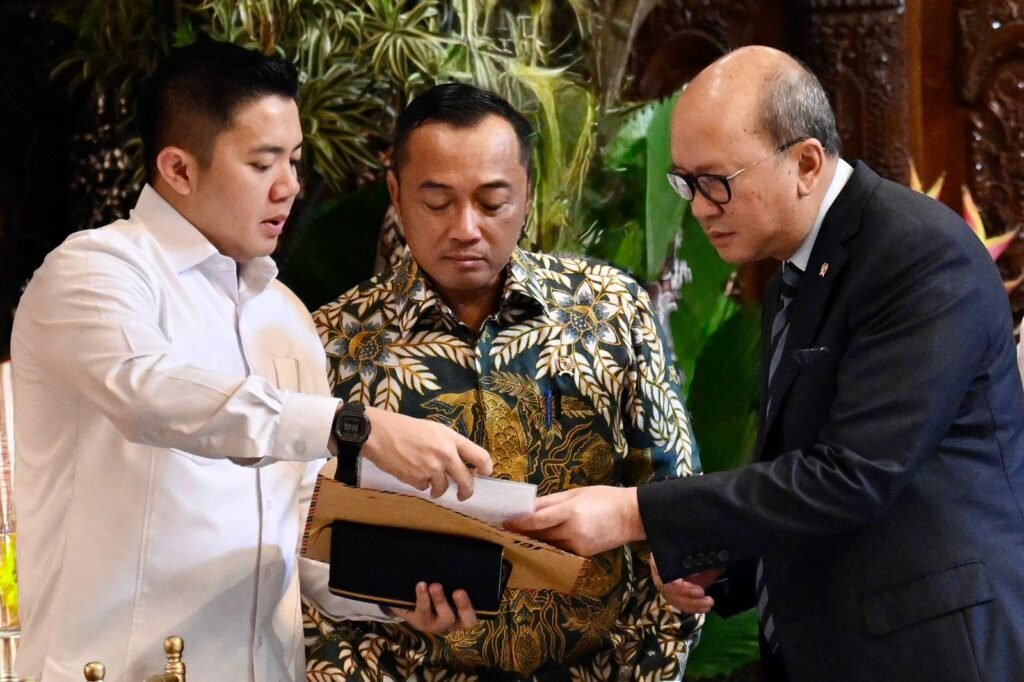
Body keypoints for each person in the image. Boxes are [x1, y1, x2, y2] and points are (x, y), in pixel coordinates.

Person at [508, 45, 1024, 681]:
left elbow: (853, 477)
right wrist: (726, 567)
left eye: (716, 182)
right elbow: (800, 479)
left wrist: (631, 512)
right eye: (685, 183)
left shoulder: (916, 254)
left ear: (805, 163)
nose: (700, 207)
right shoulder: (788, 279)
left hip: (934, 653)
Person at [11, 40, 490, 682]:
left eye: (294, 160)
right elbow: (149, 394)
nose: (290, 186)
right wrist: (354, 426)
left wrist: (396, 592)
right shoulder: (95, 270)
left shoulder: (284, 315)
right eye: (263, 163)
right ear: (179, 169)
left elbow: (301, 526)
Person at [305, 83, 701, 680]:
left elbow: (676, 511)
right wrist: (381, 611)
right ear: (396, 194)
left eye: (492, 203)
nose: (466, 228)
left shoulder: (611, 310)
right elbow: (302, 545)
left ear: (528, 196)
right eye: (437, 202)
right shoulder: (332, 343)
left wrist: (645, 668)